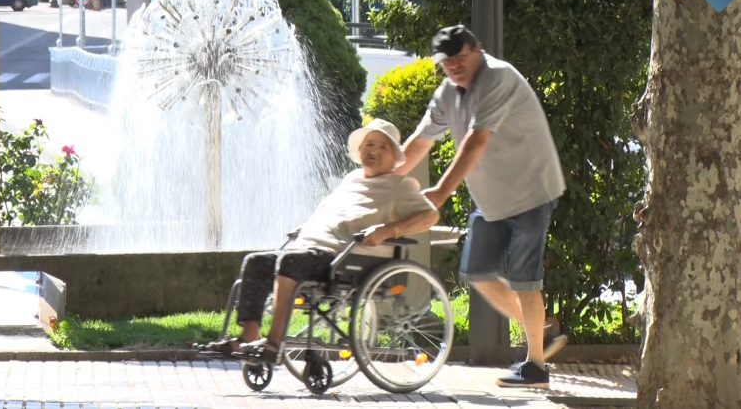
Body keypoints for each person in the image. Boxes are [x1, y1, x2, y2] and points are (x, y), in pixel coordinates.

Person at [396, 25, 566, 389]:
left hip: (530, 191)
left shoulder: (498, 78)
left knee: (524, 280)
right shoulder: (446, 94)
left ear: (476, 50)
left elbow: (475, 143)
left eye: (460, 57)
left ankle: (536, 366)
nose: (454, 66)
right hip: (492, 198)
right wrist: (385, 177)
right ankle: (543, 335)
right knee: (478, 272)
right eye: (446, 62)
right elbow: (421, 141)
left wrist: (440, 192)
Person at [197, 118, 438, 359]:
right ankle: (249, 336)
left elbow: (429, 215)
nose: (373, 150)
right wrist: (307, 226)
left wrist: (387, 231)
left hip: (343, 257)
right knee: (256, 261)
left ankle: (273, 344)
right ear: (359, 150)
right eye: (369, 144)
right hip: (311, 248)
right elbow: (329, 210)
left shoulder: (401, 186)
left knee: (290, 262)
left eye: (382, 146)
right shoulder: (352, 179)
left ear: (395, 156)